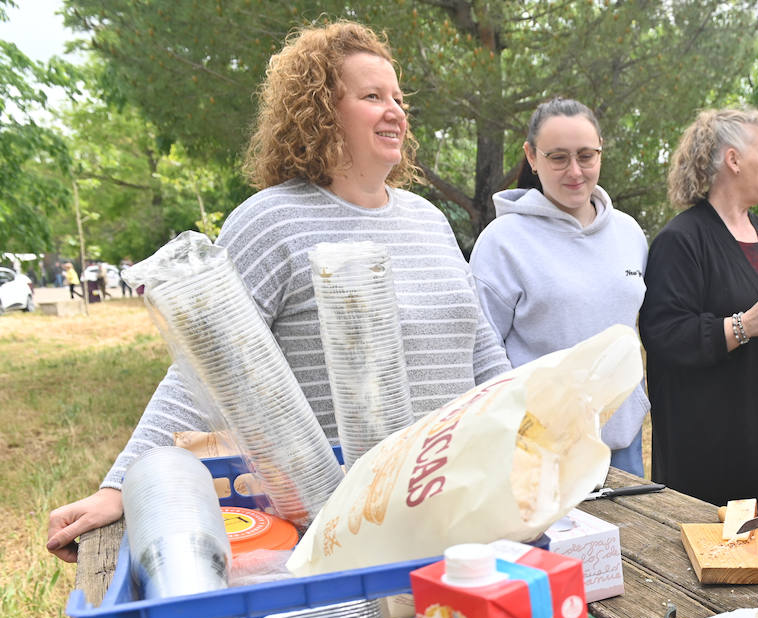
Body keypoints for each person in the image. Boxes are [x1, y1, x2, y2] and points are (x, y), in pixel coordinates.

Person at [46, 20, 511, 561]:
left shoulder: (429, 221)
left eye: (399, 98)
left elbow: (480, 347)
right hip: (345, 522)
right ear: (320, 110)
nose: (396, 112)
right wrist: (120, 484)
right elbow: (204, 366)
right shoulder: (273, 221)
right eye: (372, 96)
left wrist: (521, 432)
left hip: (458, 502)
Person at [639, 108, 758, 507]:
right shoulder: (681, 240)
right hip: (714, 453)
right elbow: (663, 333)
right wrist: (741, 326)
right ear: (733, 160)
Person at [469, 97, 650, 475]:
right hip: (539, 455)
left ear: (601, 150)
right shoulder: (502, 243)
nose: (575, 171)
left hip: (622, 447)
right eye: (557, 157)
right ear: (531, 157)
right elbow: (481, 351)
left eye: (586, 155)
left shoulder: (630, 234)